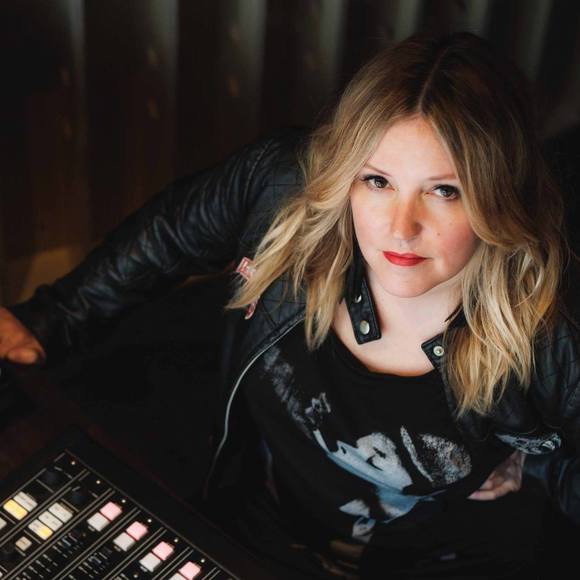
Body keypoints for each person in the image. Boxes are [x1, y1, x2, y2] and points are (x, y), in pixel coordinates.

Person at [0, 31, 577, 579]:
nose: (401, 228)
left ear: (500, 197)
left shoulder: (552, 326)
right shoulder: (280, 184)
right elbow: (169, 236)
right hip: (256, 533)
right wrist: (53, 318)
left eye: (444, 190)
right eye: (377, 181)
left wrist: (538, 460)